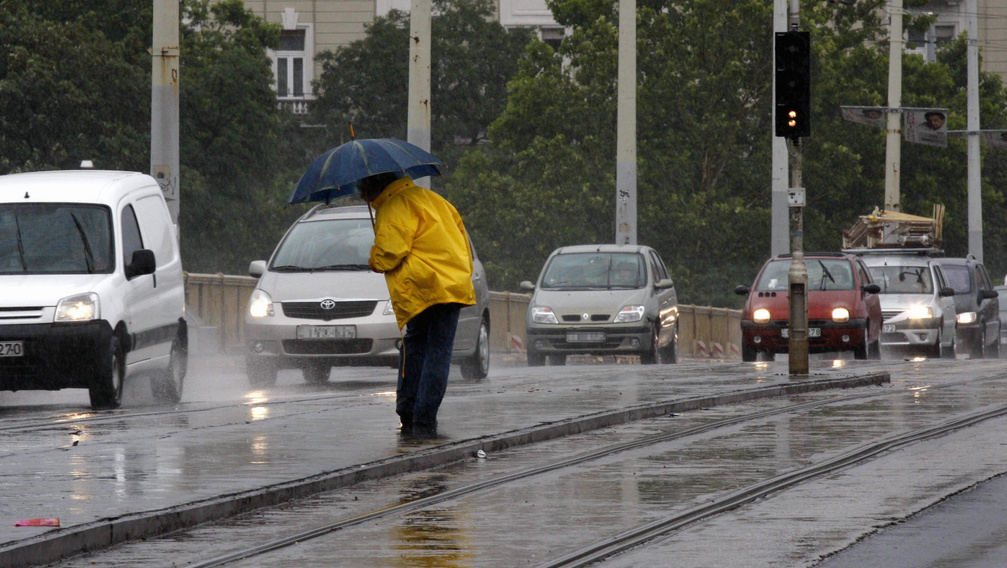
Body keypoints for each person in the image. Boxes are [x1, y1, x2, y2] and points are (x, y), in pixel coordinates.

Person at [358, 171, 476, 437]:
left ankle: (413, 413)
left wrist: (374, 260)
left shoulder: (394, 205)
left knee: (416, 349)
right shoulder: (436, 201)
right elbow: (463, 245)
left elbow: (390, 253)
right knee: (438, 351)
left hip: (422, 288)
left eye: (362, 190)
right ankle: (423, 414)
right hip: (451, 286)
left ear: (373, 187)